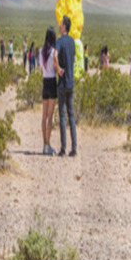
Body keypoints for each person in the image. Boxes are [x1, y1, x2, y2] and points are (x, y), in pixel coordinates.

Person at [55, 16, 77, 157]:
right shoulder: (72, 42)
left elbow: (55, 55)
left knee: (62, 116)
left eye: (61, 24)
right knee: (72, 116)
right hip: (71, 82)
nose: (59, 25)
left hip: (62, 83)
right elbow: (74, 58)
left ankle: (63, 148)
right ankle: (74, 148)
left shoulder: (59, 41)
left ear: (64, 27)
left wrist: (58, 68)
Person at [38, 27, 59, 155]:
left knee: (44, 116)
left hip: (44, 82)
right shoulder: (53, 52)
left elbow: (41, 66)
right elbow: (56, 68)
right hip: (52, 83)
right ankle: (48, 144)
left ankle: (44, 144)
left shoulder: (41, 51)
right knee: (50, 116)